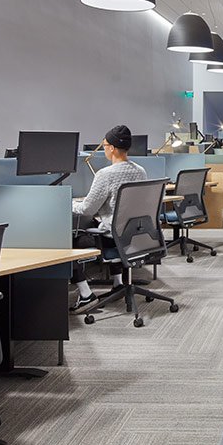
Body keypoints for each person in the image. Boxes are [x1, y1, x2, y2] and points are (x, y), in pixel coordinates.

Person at [69, 125, 148, 312]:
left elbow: (87, 208)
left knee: (71, 242)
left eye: (104, 145)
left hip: (114, 237)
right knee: (108, 224)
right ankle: (118, 282)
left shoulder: (105, 175)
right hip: (137, 236)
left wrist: (68, 203)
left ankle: (86, 295)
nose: (104, 148)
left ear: (111, 148)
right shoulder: (141, 171)